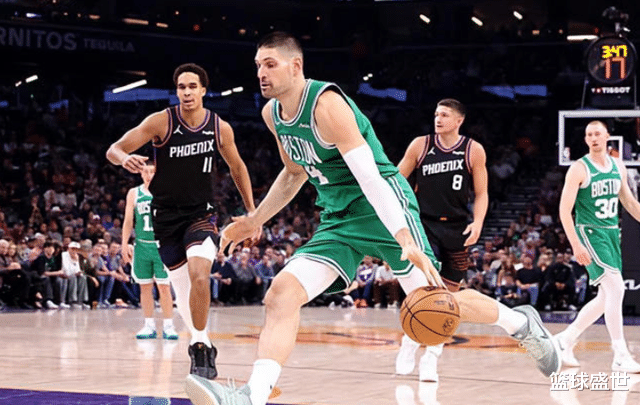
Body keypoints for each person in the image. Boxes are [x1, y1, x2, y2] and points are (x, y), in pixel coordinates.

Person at [185, 32, 561, 405]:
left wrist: (405, 239)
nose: (261, 73)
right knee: (280, 295)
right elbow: (294, 173)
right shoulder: (272, 114)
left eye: (270, 64)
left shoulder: (327, 106)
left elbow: (371, 179)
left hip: (382, 207)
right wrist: (255, 219)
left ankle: (521, 324)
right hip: (338, 217)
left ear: (295, 66)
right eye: (258, 66)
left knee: (437, 301)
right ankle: (252, 396)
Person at [106, 62, 257, 379]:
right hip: (165, 218)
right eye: (181, 87)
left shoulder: (219, 127)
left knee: (200, 275)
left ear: (203, 90)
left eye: (192, 87)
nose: (186, 92)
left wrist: (252, 213)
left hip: (201, 214)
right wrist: (124, 158)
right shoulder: (161, 121)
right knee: (183, 292)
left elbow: (237, 167)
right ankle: (204, 343)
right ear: (176, 91)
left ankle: (199, 348)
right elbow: (114, 149)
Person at [395, 98, 489, 381]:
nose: (438, 119)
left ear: (459, 120)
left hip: (457, 227)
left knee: (449, 297)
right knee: (425, 289)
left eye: (445, 115)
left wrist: (478, 222)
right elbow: (396, 180)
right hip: (425, 224)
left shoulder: (473, 150)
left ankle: (431, 355)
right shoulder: (421, 145)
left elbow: (482, 193)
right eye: (436, 114)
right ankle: (411, 343)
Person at [554, 120, 640, 372]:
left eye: (597, 134)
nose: (593, 138)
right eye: (589, 134)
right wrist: (576, 245)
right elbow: (564, 211)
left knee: (605, 297)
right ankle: (620, 354)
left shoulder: (618, 166)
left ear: (607, 137)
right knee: (616, 288)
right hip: (590, 233)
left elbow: (629, 203)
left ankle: (564, 340)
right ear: (585, 139)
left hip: (612, 233)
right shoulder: (579, 169)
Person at [121, 162, 178, 340]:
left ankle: (168, 326)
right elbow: (128, 221)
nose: (148, 175)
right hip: (142, 245)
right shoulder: (134, 193)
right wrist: (124, 244)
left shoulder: (167, 191)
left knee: (164, 287)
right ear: (140, 173)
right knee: (145, 287)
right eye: (145, 171)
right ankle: (148, 325)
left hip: (162, 245)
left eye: (152, 171)